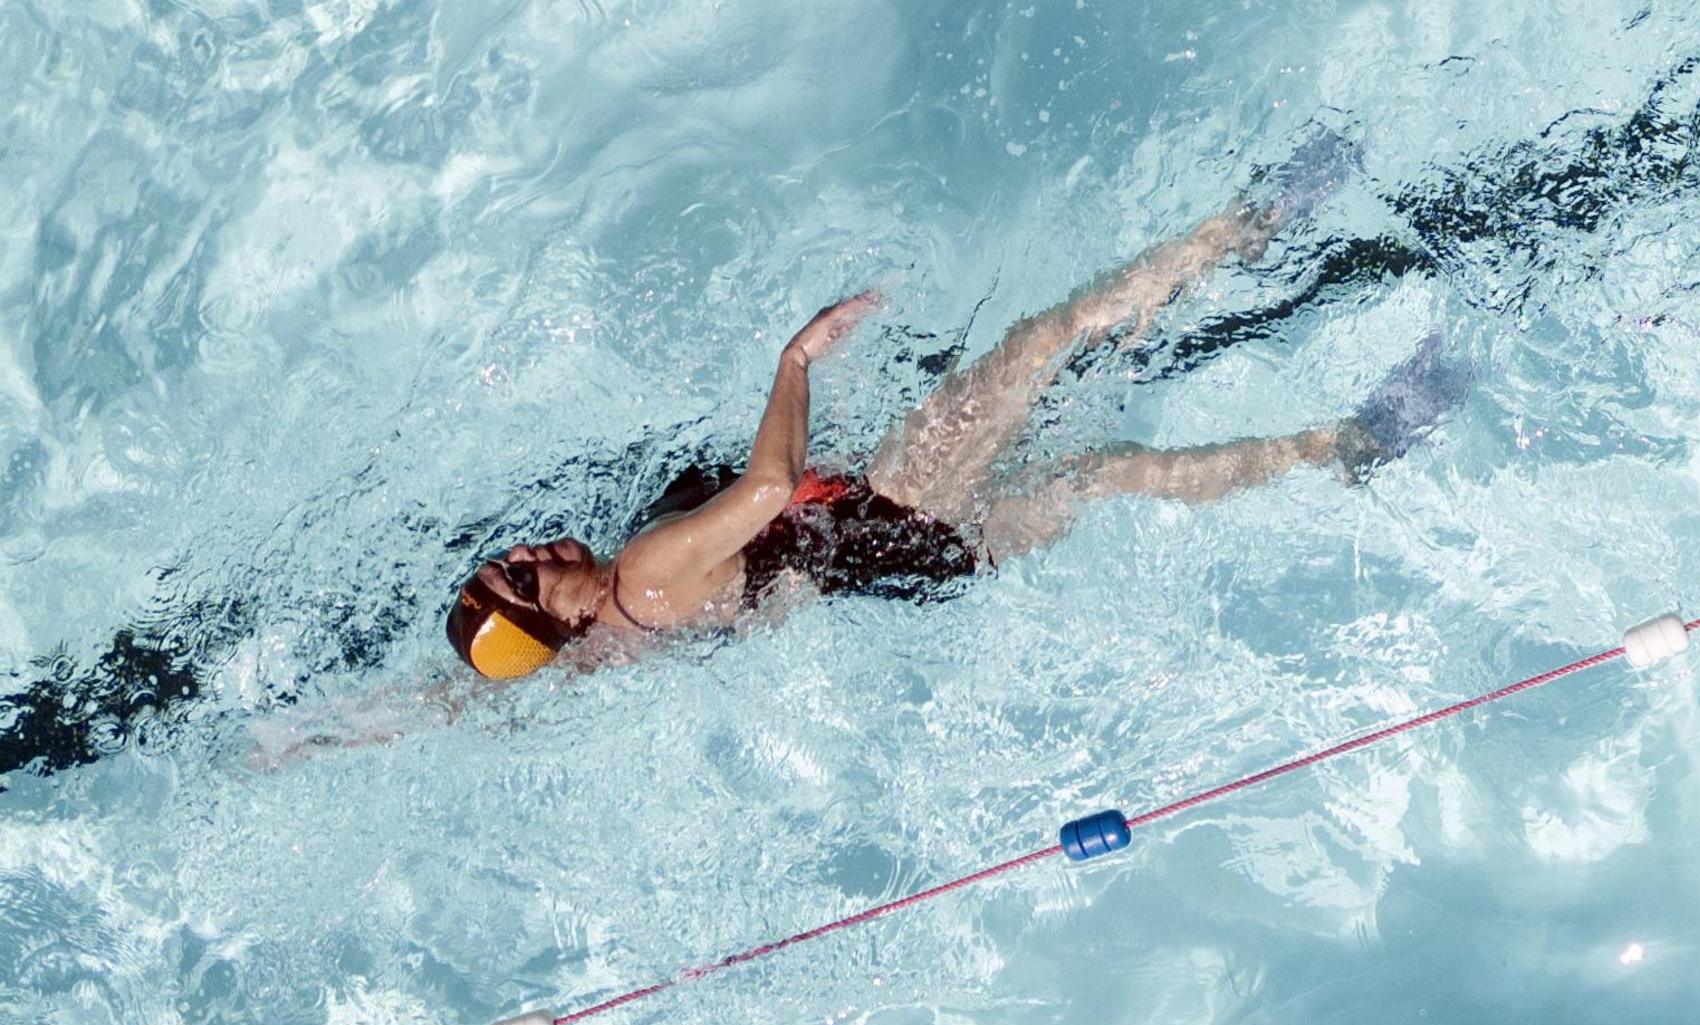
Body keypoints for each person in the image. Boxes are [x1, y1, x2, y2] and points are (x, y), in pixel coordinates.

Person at [440, 138, 1459, 680]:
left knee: (1108, 474)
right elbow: (769, 485)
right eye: (515, 570)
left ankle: (1351, 446)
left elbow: (468, 699)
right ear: (544, 611)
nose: (524, 548)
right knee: (1043, 341)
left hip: (918, 564)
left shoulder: (613, 646)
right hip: (894, 508)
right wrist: (794, 360)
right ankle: (1257, 219)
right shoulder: (643, 581)